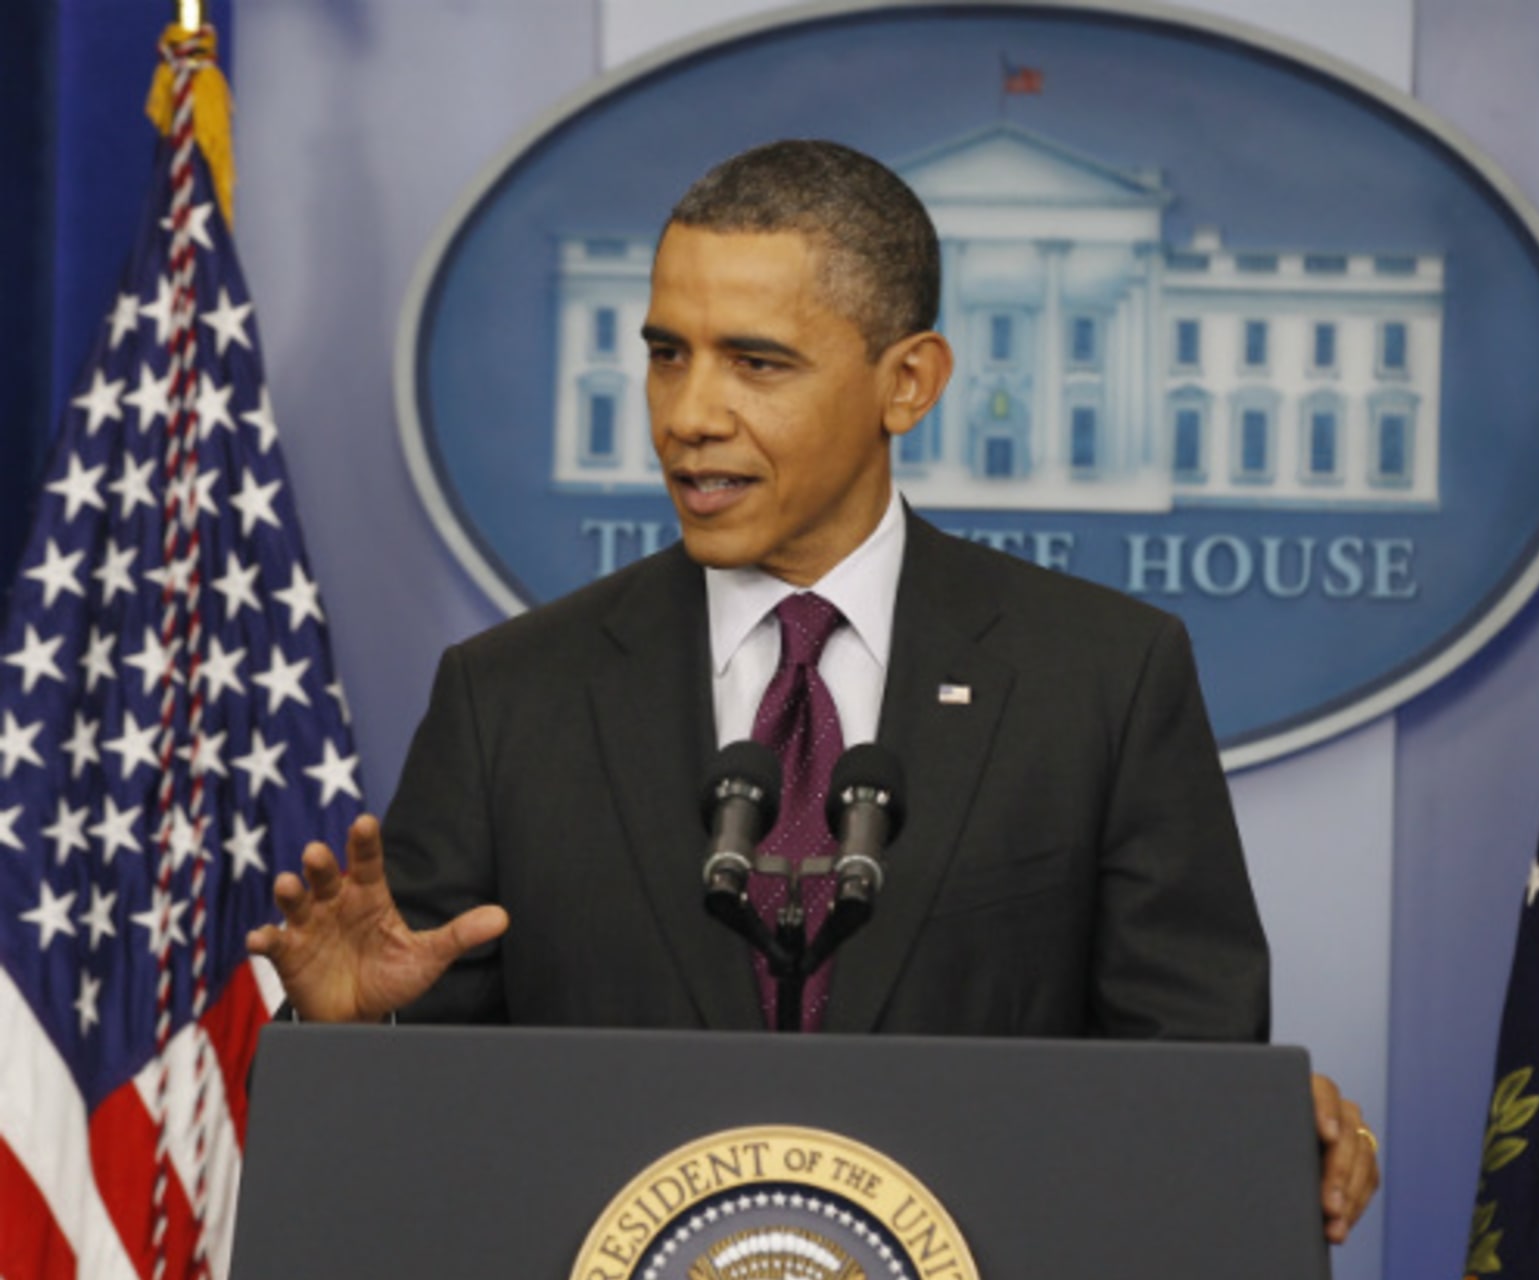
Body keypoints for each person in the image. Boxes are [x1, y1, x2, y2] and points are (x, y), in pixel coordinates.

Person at [247, 139, 1380, 1242]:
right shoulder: (511, 698)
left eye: (757, 361)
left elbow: (1185, 1091)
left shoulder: (1102, 680)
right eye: (666, 352)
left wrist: (1253, 1124)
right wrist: (356, 1029)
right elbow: (421, 1148)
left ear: (907, 383)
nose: (688, 413)